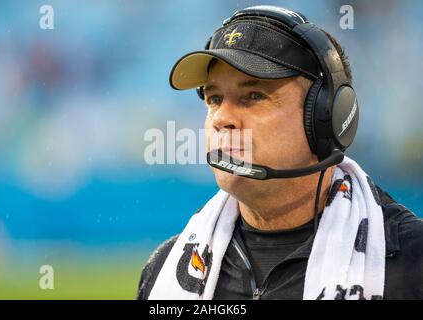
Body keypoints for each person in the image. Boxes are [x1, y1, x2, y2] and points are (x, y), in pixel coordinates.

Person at [137, 5, 423, 300]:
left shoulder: (413, 263)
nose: (222, 118)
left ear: (325, 117)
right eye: (215, 98)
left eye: (254, 96)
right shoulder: (164, 270)